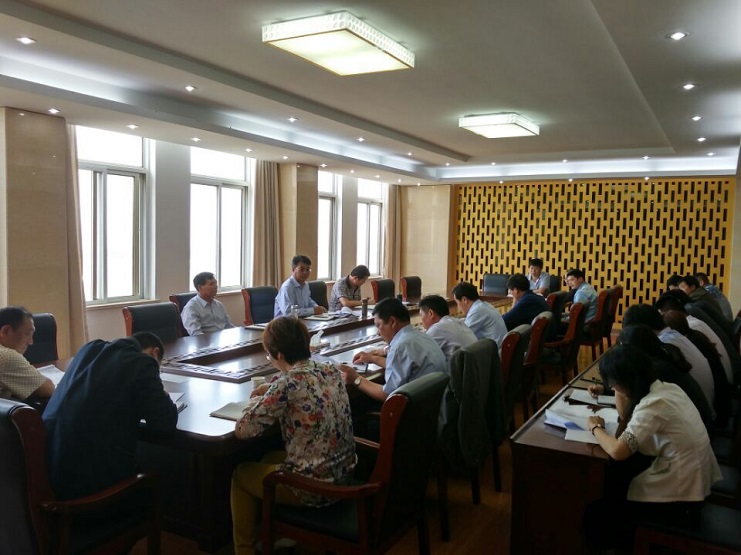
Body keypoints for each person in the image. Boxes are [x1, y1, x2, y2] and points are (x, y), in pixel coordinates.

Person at [230, 317, 356, 555]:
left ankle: (244, 551)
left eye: (269, 355)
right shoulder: (330, 370)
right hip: (343, 474)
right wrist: (271, 388)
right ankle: (277, 535)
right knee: (268, 457)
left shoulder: (287, 384)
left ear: (278, 355)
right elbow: (302, 383)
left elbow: (244, 430)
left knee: (241, 474)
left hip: (313, 488)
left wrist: (257, 402)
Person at [584, 345, 721, 551]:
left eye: (613, 384)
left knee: (598, 510)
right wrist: (618, 390)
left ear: (625, 382)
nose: (612, 389)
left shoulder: (654, 405)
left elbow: (618, 451)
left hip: (681, 500)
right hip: (695, 483)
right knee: (618, 482)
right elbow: (625, 417)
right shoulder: (668, 388)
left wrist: (595, 427)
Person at [43, 332, 178, 500]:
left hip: (50, 469)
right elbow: (165, 423)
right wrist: (163, 393)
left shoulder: (89, 349)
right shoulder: (142, 362)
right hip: (89, 488)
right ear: (154, 353)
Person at [589, 324, 714, 434]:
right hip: (698, 429)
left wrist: (596, 427)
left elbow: (624, 414)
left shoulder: (657, 371)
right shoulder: (660, 358)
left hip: (696, 434)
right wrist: (606, 388)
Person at [339, 298, 446, 402]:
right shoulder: (422, 336)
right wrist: (372, 358)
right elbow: (403, 366)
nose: (378, 333)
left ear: (392, 322)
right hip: (434, 406)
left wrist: (356, 379)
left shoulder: (400, 347)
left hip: (413, 411)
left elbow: (387, 395)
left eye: (378, 325)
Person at [622, 304, 716, 417]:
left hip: (698, 416)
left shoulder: (663, 349)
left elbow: (626, 412)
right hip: (706, 410)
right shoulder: (671, 338)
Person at [0, 306, 54, 401]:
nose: (31, 342)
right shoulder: (6, 355)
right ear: (6, 331)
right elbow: (48, 389)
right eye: (27, 334)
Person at [418, 294, 477, 361]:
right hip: (475, 364)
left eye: (421, 315)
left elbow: (419, 355)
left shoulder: (437, 328)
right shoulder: (457, 321)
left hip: (464, 366)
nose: (421, 320)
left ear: (431, 313)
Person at [452, 281, 507, 347]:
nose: (458, 306)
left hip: (494, 352)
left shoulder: (477, 311)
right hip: (498, 348)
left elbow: (461, 336)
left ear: (464, 300)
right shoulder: (484, 306)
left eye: (457, 303)